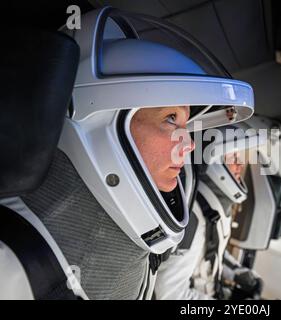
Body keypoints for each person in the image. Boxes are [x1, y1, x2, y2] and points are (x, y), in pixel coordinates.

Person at [0, 7, 254, 300]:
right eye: (171, 119)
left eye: (186, 126)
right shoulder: (10, 265)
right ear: (101, 122)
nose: (190, 145)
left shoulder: (130, 240)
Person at [154, 124, 264, 300]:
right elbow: (169, 294)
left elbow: (211, 251)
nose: (240, 164)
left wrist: (237, 272)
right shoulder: (194, 217)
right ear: (214, 162)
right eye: (233, 156)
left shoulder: (213, 205)